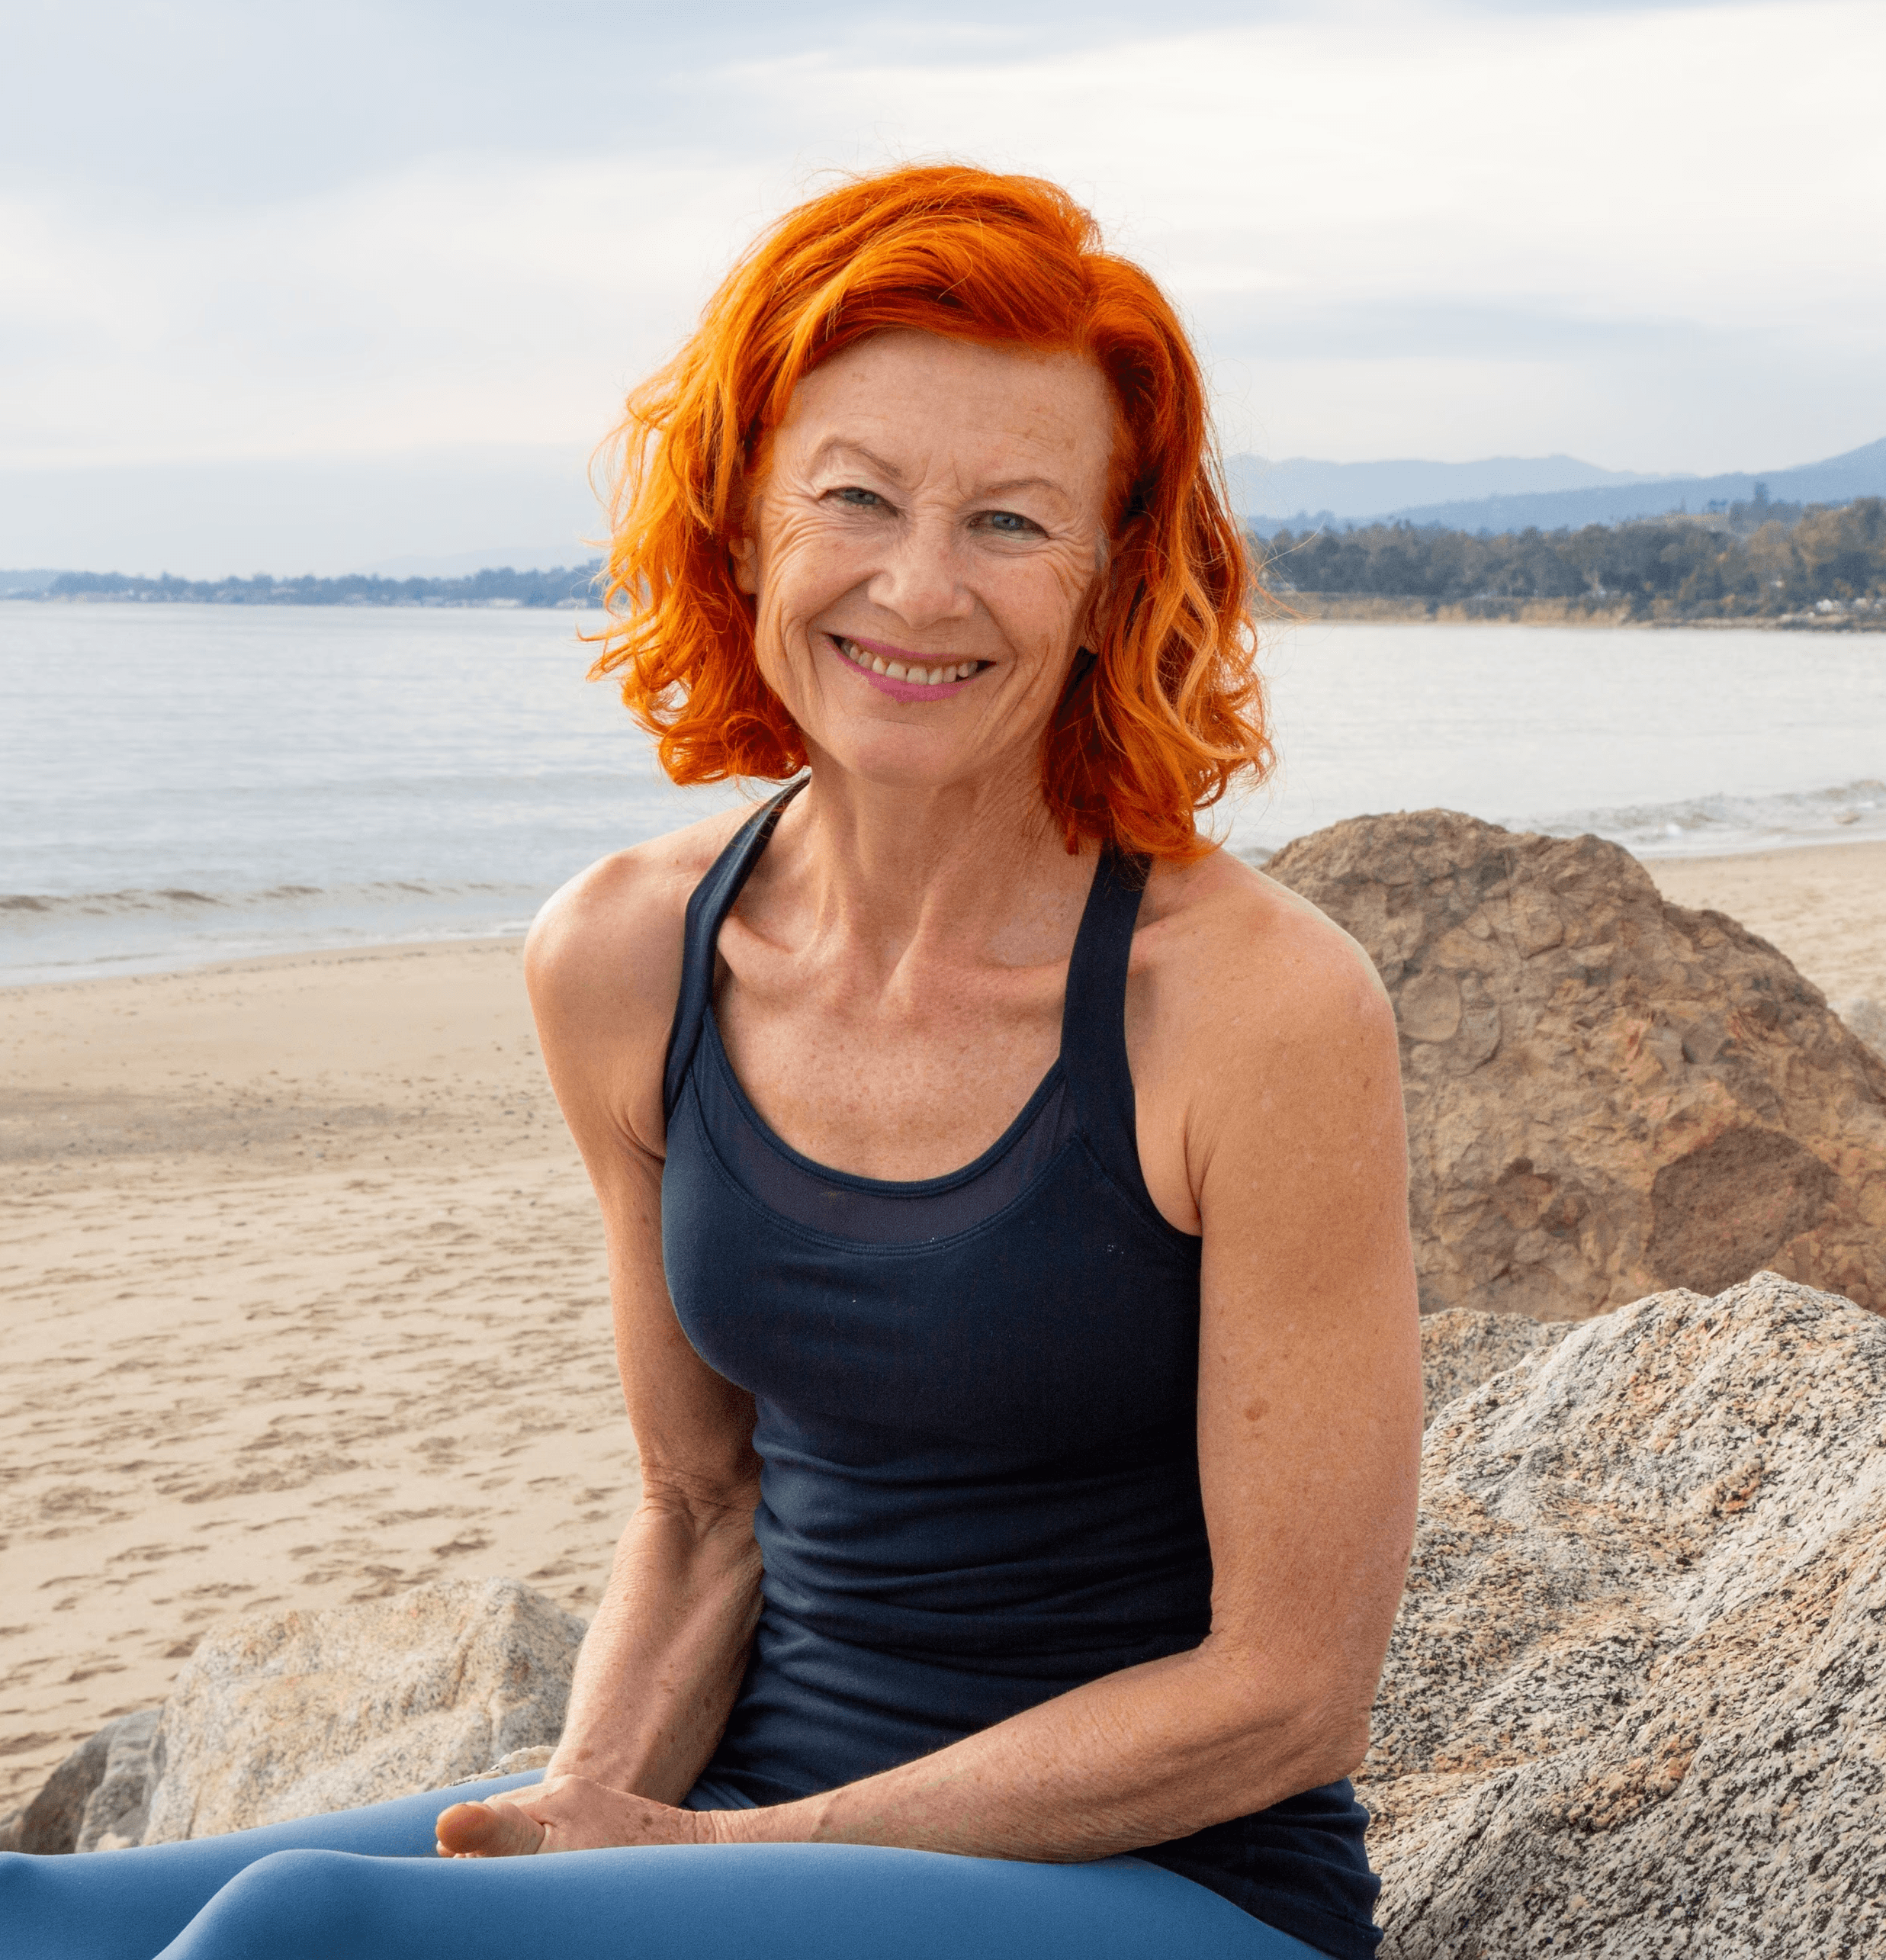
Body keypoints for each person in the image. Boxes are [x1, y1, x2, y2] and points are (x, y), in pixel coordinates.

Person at [3, 165, 1421, 1960]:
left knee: (310, 1934)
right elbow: (699, 1505)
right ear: (745, 518)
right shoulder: (622, 957)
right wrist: (595, 1816)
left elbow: (1289, 1695)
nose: (920, 588)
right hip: (737, 1813)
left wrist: (710, 1854)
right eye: (857, 496)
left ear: (1114, 573)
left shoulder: (1252, 1009)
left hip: (1160, 1892)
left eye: (1010, 522)